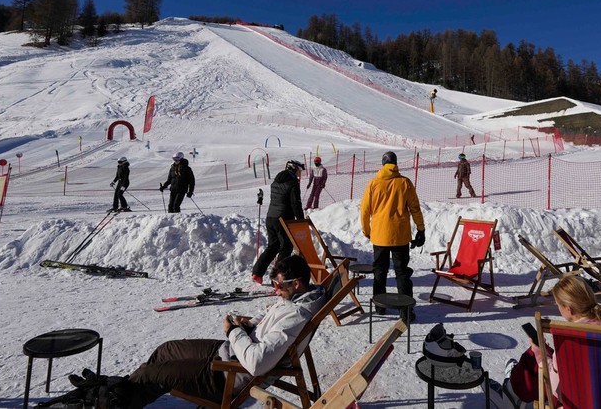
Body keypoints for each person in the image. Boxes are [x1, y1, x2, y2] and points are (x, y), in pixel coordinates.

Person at [60, 255, 326, 409]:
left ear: (298, 283)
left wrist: (234, 331)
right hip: (232, 352)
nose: (275, 290)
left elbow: (257, 363)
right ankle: (122, 392)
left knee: (150, 374)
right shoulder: (296, 299)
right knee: (166, 350)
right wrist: (248, 323)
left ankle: (109, 399)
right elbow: (271, 318)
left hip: (231, 373)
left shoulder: (296, 314)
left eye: (278, 285)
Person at [489, 273, 601, 408]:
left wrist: (541, 355)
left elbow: (556, 388)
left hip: (582, 402)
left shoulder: (570, 340)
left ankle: (511, 389)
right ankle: (512, 386)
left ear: (569, 309)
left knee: (534, 358)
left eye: (558, 305)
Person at [360, 151, 425, 321]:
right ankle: (406, 311)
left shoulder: (373, 183)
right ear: (396, 164)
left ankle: (380, 307)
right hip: (400, 236)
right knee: (402, 273)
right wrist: (421, 229)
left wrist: (367, 230)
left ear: (382, 164)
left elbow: (365, 210)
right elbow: (415, 208)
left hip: (380, 236)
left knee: (379, 271)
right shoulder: (404, 182)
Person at [251, 160, 306, 285]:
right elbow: (295, 204)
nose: (299, 174)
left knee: (273, 246)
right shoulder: (292, 183)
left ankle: (257, 273)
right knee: (286, 247)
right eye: (298, 171)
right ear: (293, 169)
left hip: (271, 217)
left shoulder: (276, 182)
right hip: (283, 219)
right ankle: (277, 278)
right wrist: (301, 221)